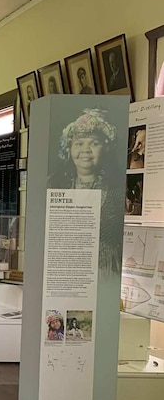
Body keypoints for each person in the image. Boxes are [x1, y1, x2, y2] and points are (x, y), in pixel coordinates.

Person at [49, 108, 123, 276]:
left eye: (94, 143)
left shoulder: (117, 190)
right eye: (79, 143)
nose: (86, 150)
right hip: (66, 273)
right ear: (68, 150)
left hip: (106, 272)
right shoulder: (55, 185)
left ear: (105, 149)